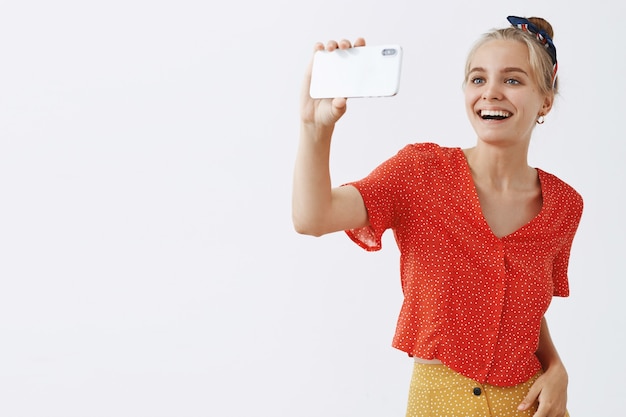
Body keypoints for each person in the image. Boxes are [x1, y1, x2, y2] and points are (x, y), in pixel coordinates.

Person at [292, 15, 582, 417]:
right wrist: (313, 128)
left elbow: (526, 311)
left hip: (532, 404)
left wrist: (556, 368)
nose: (491, 93)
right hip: (440, 403)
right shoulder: (419, 173)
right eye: (478, 79)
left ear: (545, 99)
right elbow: (313, 217)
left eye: (513, 80)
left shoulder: (564, 205)